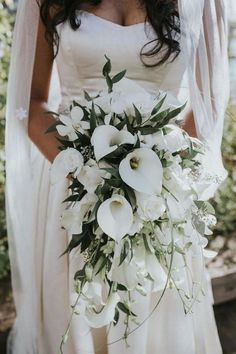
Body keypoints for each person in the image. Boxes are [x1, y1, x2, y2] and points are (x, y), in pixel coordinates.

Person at [5, 0, 229, 353]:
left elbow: (208, 102)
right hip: (75, 194)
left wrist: (164, 170)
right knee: (78, 320)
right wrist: (85, 171)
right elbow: (31, 105)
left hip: (159, 196)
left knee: (157, 322)